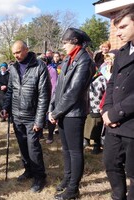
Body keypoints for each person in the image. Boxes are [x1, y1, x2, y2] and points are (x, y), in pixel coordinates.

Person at [48, 28, 95, 199]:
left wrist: (56, 112)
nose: (63, 46)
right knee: (66, 149)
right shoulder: (68, 58)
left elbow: (74, 91)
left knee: (75, 151)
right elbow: (59, 87)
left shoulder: (84, 60)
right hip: (62, 111)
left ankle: (73, 189)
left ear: (75, 41)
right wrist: (52, 108)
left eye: (65, 42)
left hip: (74, 113)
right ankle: (68, 179)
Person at [1, 40, 51, 193]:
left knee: (33, 147)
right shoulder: (13, 68)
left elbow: (44, 96)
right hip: (17, 115)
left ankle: (39, 177)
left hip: (32, 116)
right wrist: (5, 107)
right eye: (14, 53)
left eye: (18, 52)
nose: (16, 55)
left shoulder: (39, 66)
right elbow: (10, 90)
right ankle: (28, 170)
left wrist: (39, 120)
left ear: (27, 49)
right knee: (22, 146)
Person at [102, 6, 134, 200]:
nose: (118, 32)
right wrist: (107, 111)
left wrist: (115, 113)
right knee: (111, 164)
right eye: (116, 28)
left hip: (131, 125)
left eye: (123, 27)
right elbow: (112, 83)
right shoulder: (122, 52)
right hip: (113, 124)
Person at [83, 71, 107, 154]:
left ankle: (97, 144)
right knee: (87, 123)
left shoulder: (102, 79)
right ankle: (86, 139)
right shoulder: (85, 77)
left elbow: (106, 93)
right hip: (87, 106)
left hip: (97, 106)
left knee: (97, 124)